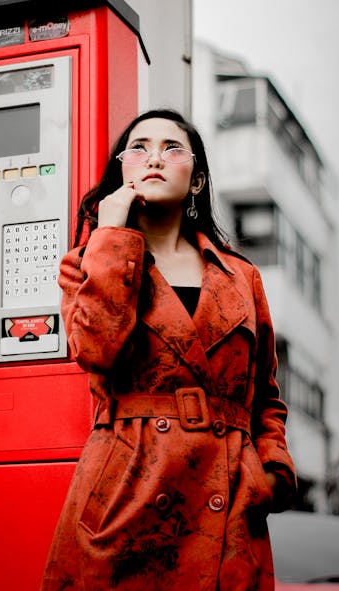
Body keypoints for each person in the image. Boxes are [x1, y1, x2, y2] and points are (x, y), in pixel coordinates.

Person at [41, 109, 296, 591]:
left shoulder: (243, 278)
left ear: (196, 180)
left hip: (226, 498)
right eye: (139, 147)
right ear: (122, 171)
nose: (154, 157)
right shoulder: (86, 262)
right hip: (126, 493)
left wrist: (271, 469)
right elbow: (95, 349)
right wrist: (113, 236)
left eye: (172, 148)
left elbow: (265, 394)